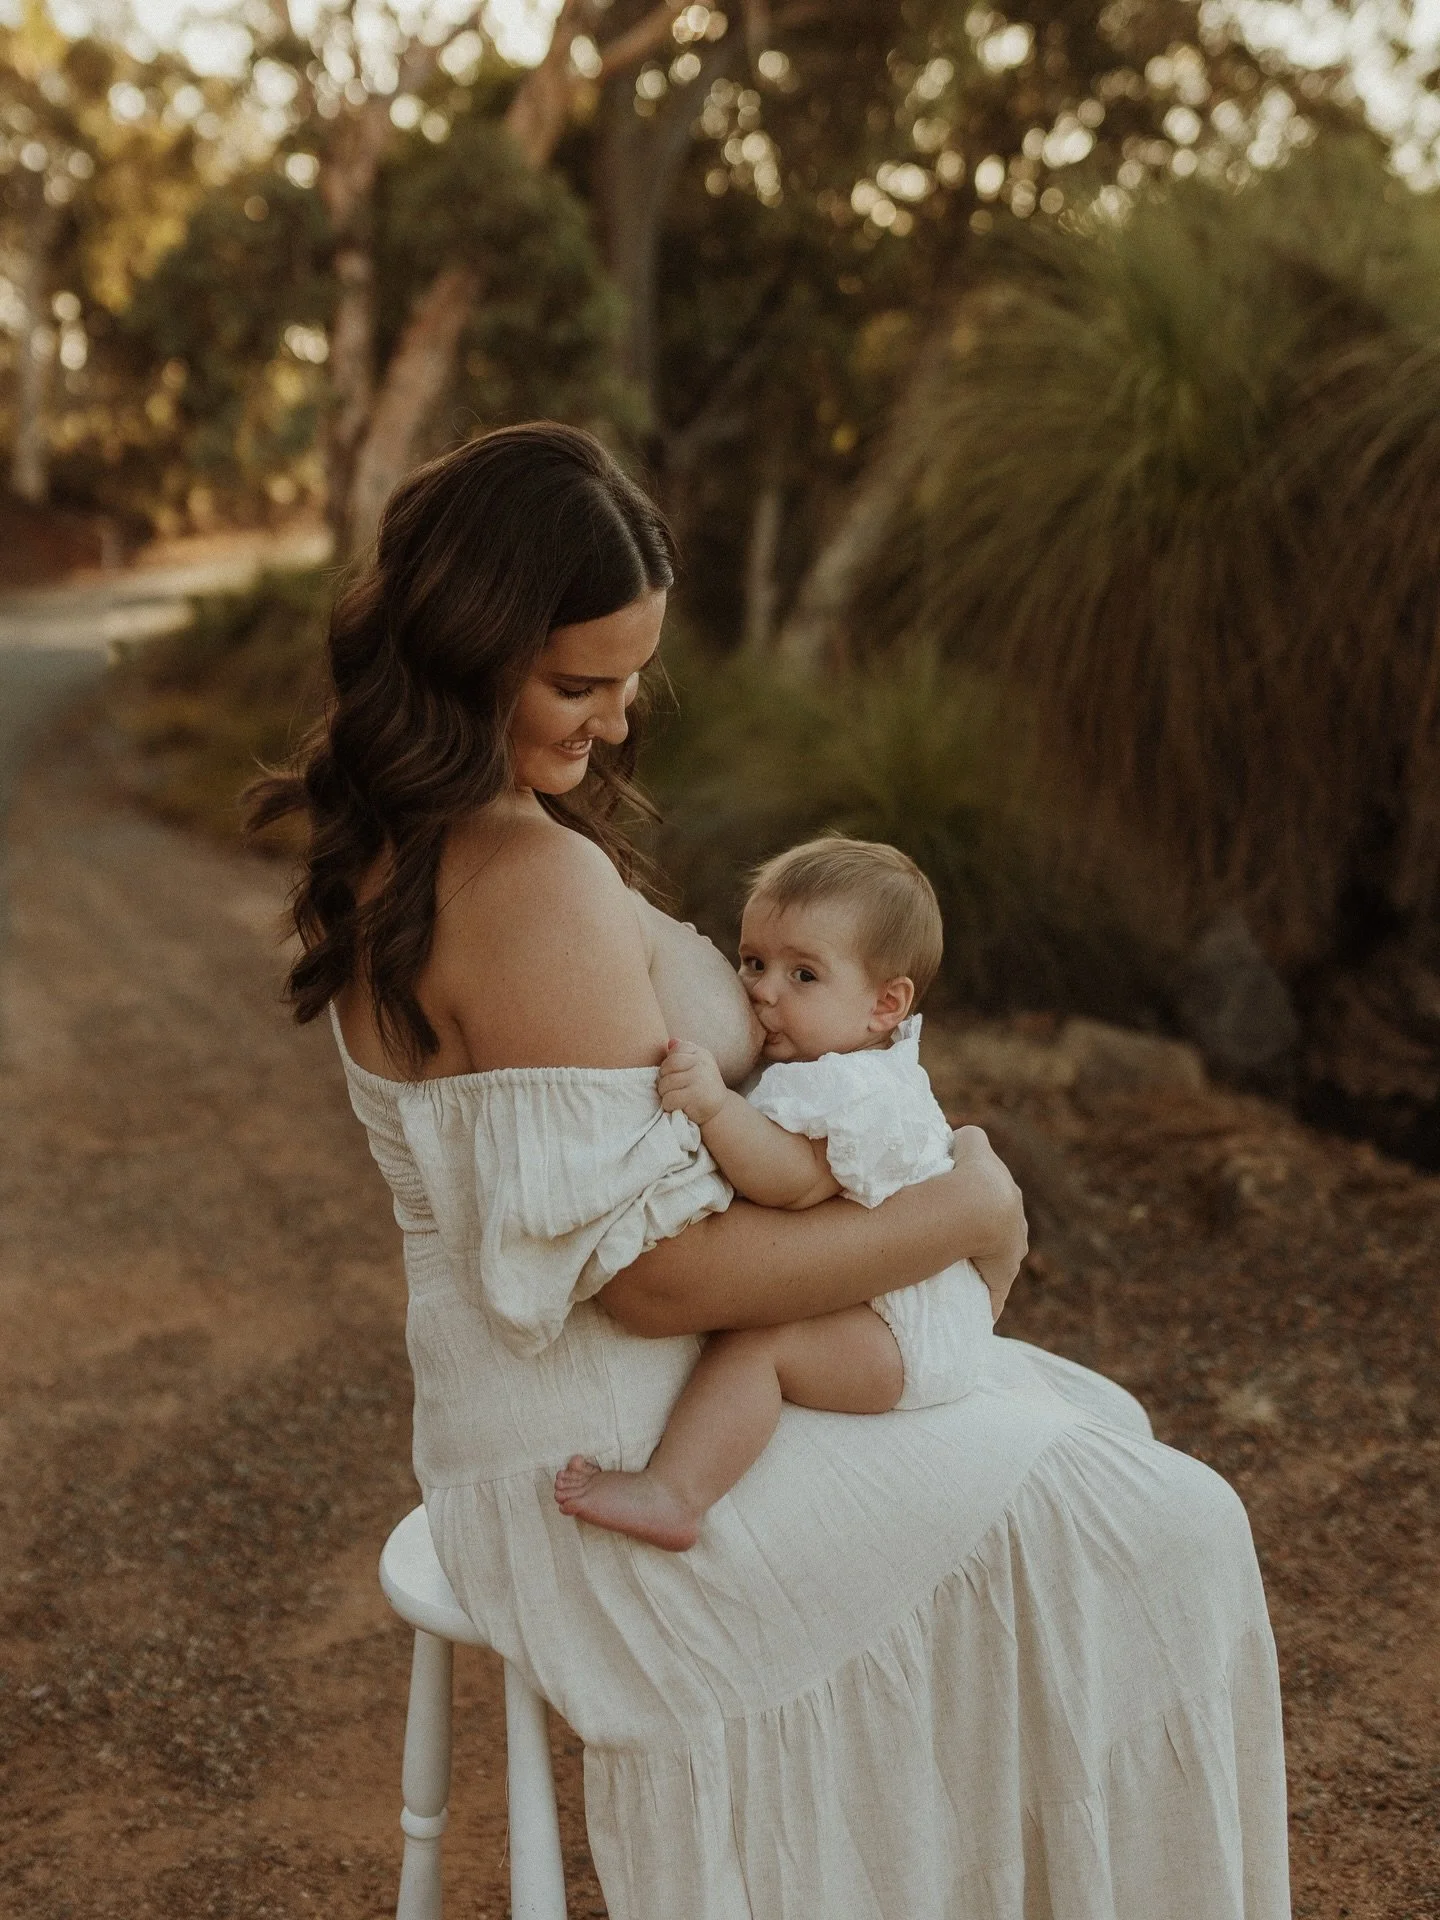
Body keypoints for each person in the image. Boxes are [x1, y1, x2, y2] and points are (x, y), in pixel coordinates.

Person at [249, 422, 1290, 1920]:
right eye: (575, 683)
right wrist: (964, 1211)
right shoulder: (525, 883)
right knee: (1174, 1525)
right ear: (465, 647)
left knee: (1095, 1442)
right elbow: (654, 1279)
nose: (611, 725)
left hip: (565, 1421)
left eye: (627, 683)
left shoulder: (426, 844)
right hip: (610, 1444)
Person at [556, 836, 996, 1550]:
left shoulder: (857, 1090)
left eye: (803, 975)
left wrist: (715, 1108)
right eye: (754, 961)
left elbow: (792, 1183)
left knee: (763, 1342)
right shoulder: (829, 1061)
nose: (763, 989)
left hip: (904, 1337)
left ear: (885, 1005)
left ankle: (676, 1494)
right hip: (876, 1303)